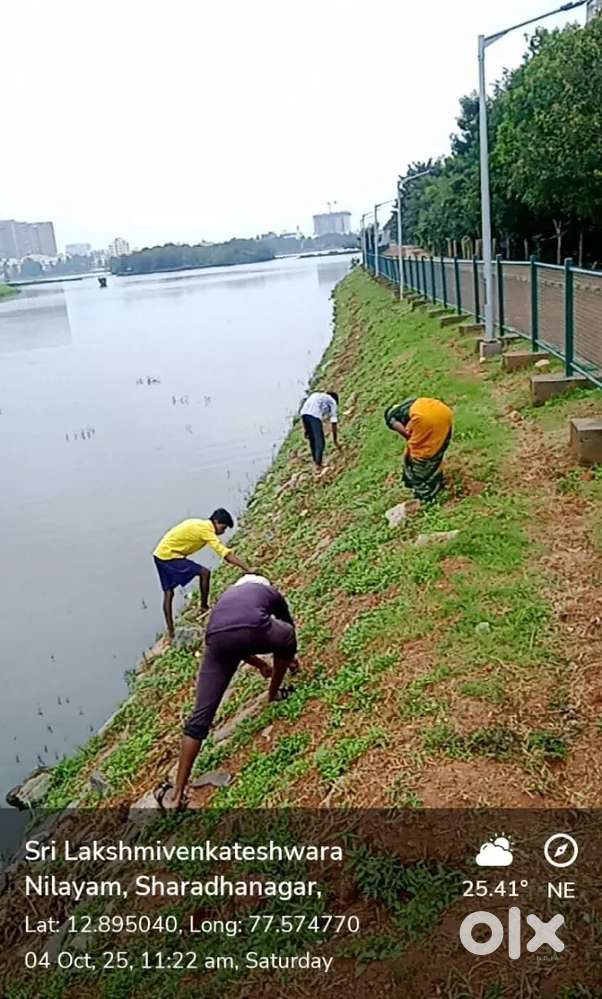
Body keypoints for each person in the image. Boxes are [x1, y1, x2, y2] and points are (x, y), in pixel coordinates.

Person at [155, 575, 299, 811]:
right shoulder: (269, 592)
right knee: (287, 635)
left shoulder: (228, 596)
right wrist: (289, 658)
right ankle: (274, 693)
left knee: (200, 716)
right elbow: (286, 627)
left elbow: (232, 636)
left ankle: (176, 794)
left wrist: (260, 665)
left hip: (216, 640)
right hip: (253, 628)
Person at [153, 509, 253, 641]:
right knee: (204, 573)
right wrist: (247, 569)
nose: (222, 532)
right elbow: (224, 553)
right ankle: (204, 607)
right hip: (169, 556)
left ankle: (171, 632)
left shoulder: (199, 524)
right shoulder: (206, 530)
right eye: (222, 528)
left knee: (168, 593)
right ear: (215, 522)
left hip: (160, 554)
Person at [385, 396, 453, 503]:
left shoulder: (391, 419)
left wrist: (410, 443)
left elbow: (406, 434)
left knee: (419, 457)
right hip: (444, 411)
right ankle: (436, 478)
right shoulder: (409, 404)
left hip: (425, 420)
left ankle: (426, 496)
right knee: (438, 445)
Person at [300, 390, 339, 470]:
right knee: (320, 441)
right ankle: (319, 464)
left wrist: (306, 429)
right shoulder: (333, 402)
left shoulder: (317, 395)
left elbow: (307, 411)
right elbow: (334, 422)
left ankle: (316, 461)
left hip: (304, 413)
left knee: (312, 439)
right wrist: (335, 440)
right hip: (314, 415)